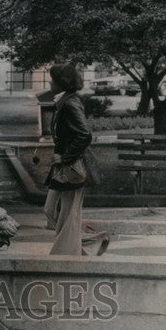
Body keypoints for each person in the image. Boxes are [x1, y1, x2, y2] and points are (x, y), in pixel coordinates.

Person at [43, 62, 110, 256]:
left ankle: (64, 256)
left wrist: (65, 157)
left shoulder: (70, 103)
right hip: (64, 167)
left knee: (68, 212)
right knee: (50, 210)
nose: (49, 82)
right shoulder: (65, 101)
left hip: (71, 167)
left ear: (60, 83)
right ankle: (90, 243)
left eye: (52, 79)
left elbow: (84, 134)